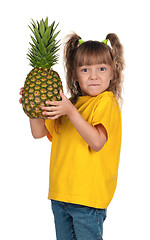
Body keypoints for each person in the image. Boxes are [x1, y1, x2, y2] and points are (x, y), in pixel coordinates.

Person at [20, 32, 124, 240]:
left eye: (101, 69)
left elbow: (96, 142)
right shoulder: (70, 104)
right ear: (75, 74)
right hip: (60, 196)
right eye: (85, 70)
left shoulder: (106, 102)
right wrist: (33, 107)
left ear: (113, 72)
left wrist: (69, 110)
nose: (93, 76)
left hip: (88, 200)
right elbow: (38, 133)